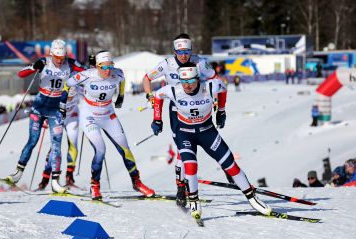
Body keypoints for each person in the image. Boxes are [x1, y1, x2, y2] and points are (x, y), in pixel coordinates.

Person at [151, 63, 271, 220]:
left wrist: (221, 110)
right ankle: (193, 199)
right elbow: (157, 96)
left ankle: (252, 198)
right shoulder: (174, 90)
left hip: (207, 132)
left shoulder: (210, 86)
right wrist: (157, 119)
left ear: (198, 79)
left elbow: (224, 88)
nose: (187, 86)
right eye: (184, 81)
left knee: (230, 165)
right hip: (185, 133)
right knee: (190, 165)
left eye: (191, 82)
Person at [142, 33, 225, 207]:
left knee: (201, 146)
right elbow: (147, 78)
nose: (184, 55)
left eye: (187, 51)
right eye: (180, 52)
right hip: (176, 111)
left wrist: (216, 101)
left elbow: (215, 80)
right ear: (174, 51)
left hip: (200, 110)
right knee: (183, 150)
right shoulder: (166, 64)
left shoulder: (199, 62)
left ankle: (192, 183)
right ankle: (181, 187)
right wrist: (150, 97)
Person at [64, 50, 155, 200]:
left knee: (125, 149)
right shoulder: (88, 75)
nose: (107, 71)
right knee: (101, 150)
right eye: (104, 67)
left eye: (110, 66)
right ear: (97, 66)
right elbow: (68, 84)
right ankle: (95, 186)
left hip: (108, 115)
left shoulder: (117, 73)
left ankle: (136, 182)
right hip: (90, 117)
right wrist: (62, 103)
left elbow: (122, 80)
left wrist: (120, 96)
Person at [5, 39, 86, 193]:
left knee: (56, 144)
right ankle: (18, 173)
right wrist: (34, 67)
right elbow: (21, 74)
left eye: (62, 57)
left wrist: (92, 67)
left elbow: (87, 72)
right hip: (39, 105)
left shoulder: (70, 63)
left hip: (56, 108)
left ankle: (55, 181)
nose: (59, 61)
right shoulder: (44, 61)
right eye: (57, 57)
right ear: (51, 54)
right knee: (33, 141)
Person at [37, 85, 82, 189]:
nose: (69, 99)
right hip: (58, 117)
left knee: (73, 142)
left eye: (72, 97)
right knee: (54, 148)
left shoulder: (78, 87)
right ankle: (45, 179)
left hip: (72, 116)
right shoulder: (57, 92)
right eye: (68, 97)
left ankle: (69, 177)